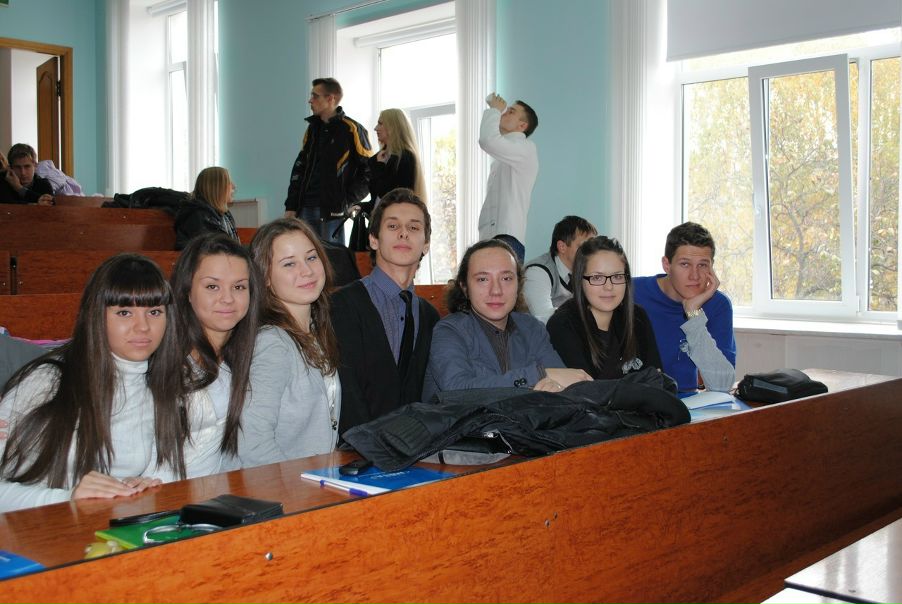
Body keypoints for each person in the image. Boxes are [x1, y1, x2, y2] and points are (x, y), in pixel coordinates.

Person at [0, 254, 184, 512]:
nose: (143, 327)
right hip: (36, 528)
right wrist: (68, 499)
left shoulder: (162, 387)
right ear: (96, 316)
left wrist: (135, 487)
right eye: (124, 312)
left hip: (104, 528)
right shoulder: (47, 381)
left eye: (154, 312)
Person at [422, 239, 591, 403]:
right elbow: (456, 390)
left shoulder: (532, 328)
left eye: (506, 279)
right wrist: (538, 375)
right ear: (465, 287)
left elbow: (563, 382)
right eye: (482, 279)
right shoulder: (449, 331)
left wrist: (553, 387)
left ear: (519, 284)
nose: (496, 290)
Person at [331, 187, 440, 434]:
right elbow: (347, 394)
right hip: (357, 447)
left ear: (426, 245)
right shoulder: (342, 305)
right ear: (373, 239)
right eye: (392, 226)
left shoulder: (430, 317)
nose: (403, 233)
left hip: (415, 445)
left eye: (414, 227)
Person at [241, 218, 341, 467]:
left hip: (317, 479)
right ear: (265, 277)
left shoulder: (315, 331)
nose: (307, 271)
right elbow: (252, 443)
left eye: (311, 257)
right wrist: (297, 485)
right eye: (289, 264)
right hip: (289, 486)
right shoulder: (272, 344)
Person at [165, 234, 261, 478]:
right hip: (164, 494)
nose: (227, 298)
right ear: (187, 291)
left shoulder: (245, 358)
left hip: (216, 493)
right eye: (212, 286)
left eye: (239, 287)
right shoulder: (165, 359)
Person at [632, 222, 736, 392]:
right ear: (667, 265)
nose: (695, 276)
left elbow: (722, 385)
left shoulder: (718, 304)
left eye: (702, 265)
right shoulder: (631, 292)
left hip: (688, 402)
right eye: (685, 264)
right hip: (636, 400)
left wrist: (694, 316)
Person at [546, 236, 662, 380]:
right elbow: (586, 389)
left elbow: (657, 379)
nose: (609, 287)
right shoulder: (562, 324)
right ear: (579, 280)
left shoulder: (637, 317)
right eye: (597, 278)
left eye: (617, 277)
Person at [284, 77, 372, 244]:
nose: (310, 100)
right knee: (306, 254)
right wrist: (291, 206)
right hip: (305, 209)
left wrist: (346, 201)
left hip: (332, 212)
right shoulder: (312, 130)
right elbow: (299, 169)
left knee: (333, 257)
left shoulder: (351, 129)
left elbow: (368, 173)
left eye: (315, 96)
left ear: (330, 99)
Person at [478, 93, 539, 262]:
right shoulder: (504, 154)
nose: (504, 113)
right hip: (491, 237)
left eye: (510, 111)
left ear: (522, 125)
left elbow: (487, 140)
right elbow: (492, 139)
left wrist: (494, 110)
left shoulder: (526, 148)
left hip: (507, 237)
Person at [523, 215, 597, 323]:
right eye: (585, 247)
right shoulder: (537, 272)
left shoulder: (588, 270)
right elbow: (545, 319)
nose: (592, 252)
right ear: (562, 247)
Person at [174, 167, 240, 251]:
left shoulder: (225, 215)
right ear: (217, 188)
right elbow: (215, 250)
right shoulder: (198, 216)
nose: (233, 186)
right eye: (228, 182)